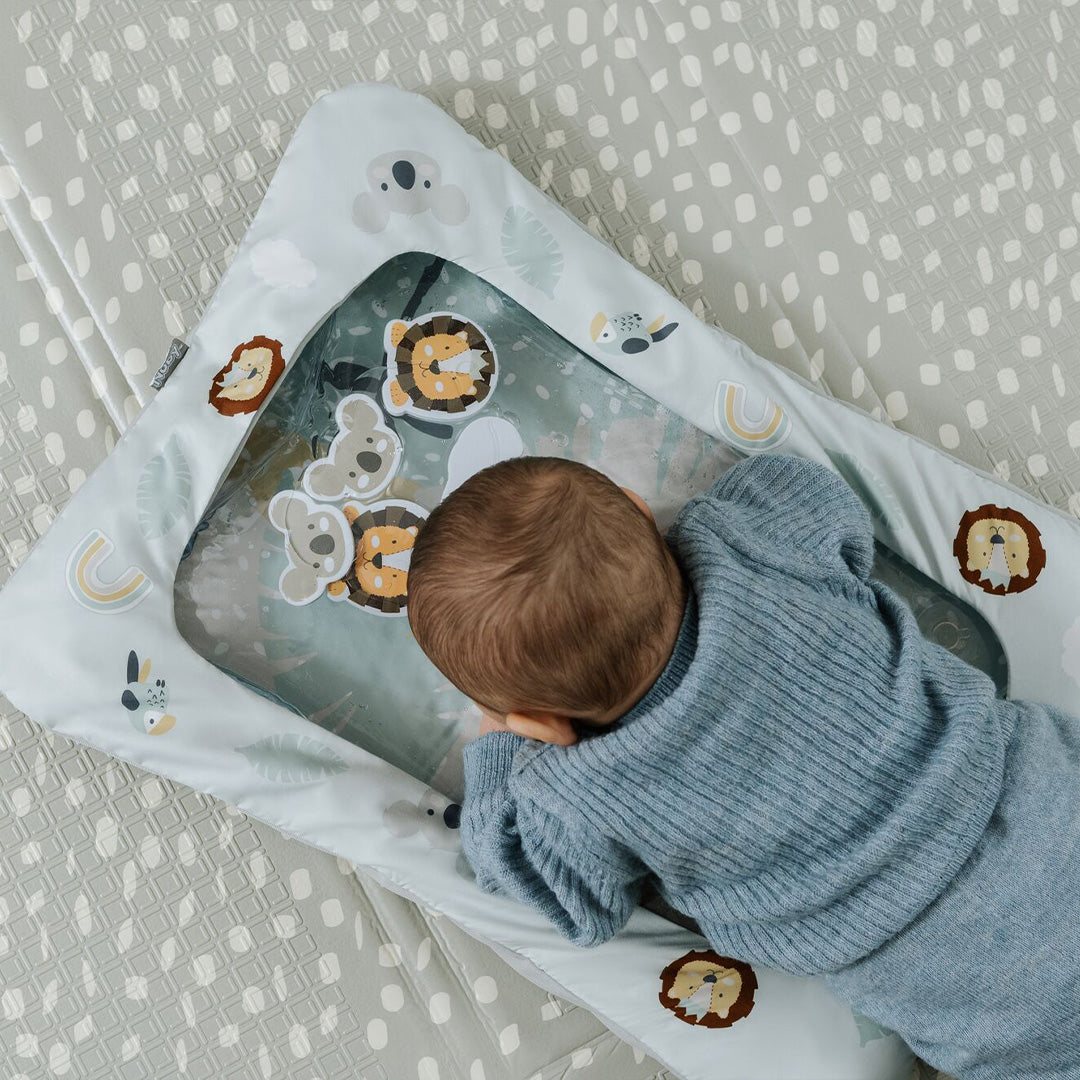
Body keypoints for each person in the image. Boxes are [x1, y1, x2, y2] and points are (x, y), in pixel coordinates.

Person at [406, 452, 1080, 1080]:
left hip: (970, 988)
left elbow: (546, 891)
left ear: (539, 723)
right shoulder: (745, 541)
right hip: (1041, 794)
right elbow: (809, 489)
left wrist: (502, 748)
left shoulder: (578, 791)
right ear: (640, 509)